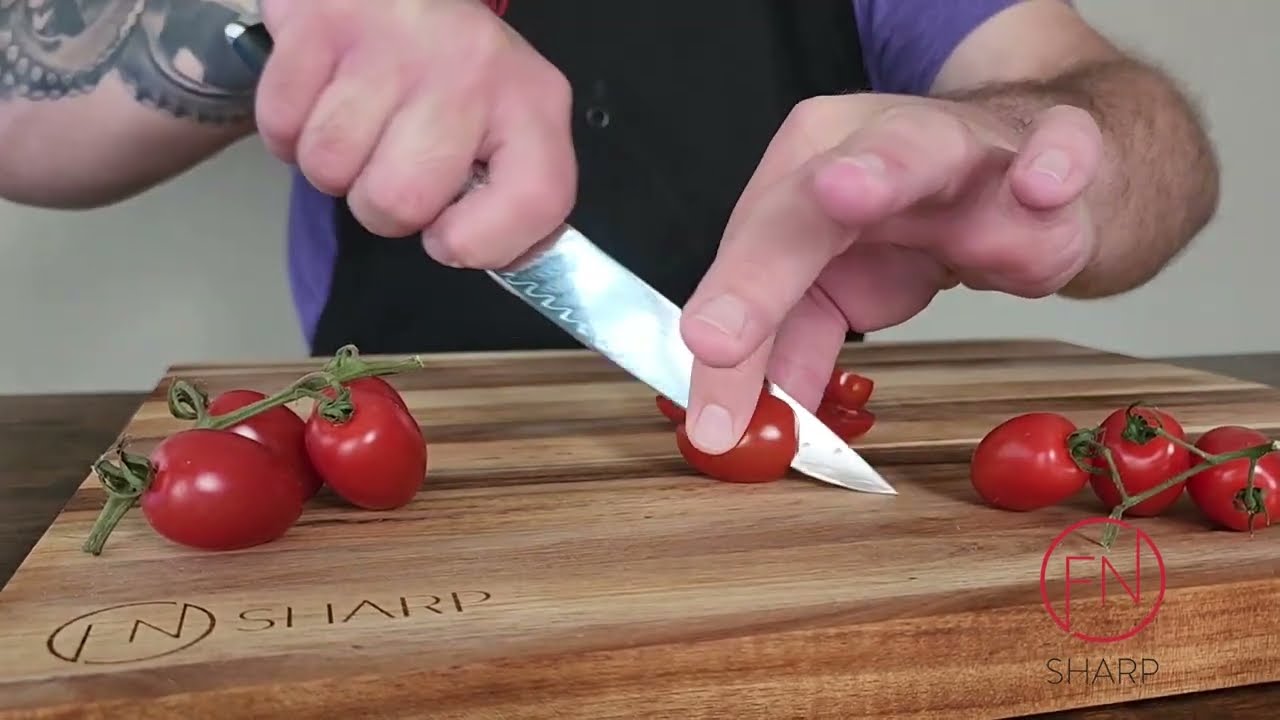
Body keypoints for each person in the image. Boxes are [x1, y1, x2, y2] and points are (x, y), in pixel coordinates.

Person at [0, 0, 1219, 457]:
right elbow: (25, 118)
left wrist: (1046, 149)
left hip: (758, 477)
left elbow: (1137, 126)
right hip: (395, 474)